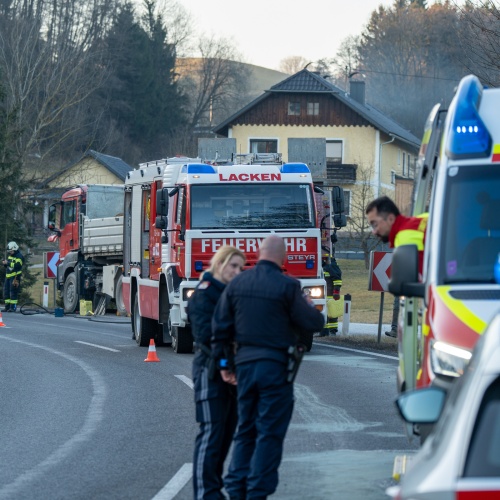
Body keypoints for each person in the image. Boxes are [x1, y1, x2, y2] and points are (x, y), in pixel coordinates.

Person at [211, 235, 325, 499]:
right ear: (283, 257)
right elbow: (314, 322)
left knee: (246, 429)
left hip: (244, 369)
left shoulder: (237, 284)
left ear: (258, 254)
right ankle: (257, 492)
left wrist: (225, 364)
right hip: (275, 369)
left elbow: (220, 329)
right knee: (269, 433)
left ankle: (237, 487)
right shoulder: (288, 286)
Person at [188, 245, 246, 500]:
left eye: (240, 267)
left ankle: (214, 489)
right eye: (233, 265)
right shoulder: (205, 293)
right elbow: (206, 336)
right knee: (211, 432)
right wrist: (224, 365)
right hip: (210, 370)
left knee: (226, 434)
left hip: (231, 372)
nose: (237, 271)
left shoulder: (232, 293)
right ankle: (205, 493)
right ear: (219, 264)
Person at [365, 196, 427, 338]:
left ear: (391, 219)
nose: (374, 232)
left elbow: (417, 281)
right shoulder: (421, 220)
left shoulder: (405, 238)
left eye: (375, 224)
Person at [320, 247, 342, 336]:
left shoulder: (331, 265)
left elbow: (337, 279)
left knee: (331, 314)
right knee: (324, 313)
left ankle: (332, 331)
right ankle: (324, 331)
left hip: (330, 295)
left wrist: (336, 292)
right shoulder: (322, 266)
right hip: (323, 295)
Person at [2, 241, 24, 313]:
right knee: (6, 292)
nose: (10, 253)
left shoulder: (19, 256)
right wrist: (5, 264)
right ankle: (7, 307)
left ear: (15, 249)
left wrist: (8, 263)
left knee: (13, 292)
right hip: (8, 276)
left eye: (11, 251)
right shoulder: (10, 256)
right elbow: (8, 266)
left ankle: (13, 307)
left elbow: (18, 265)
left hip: (15, 277)